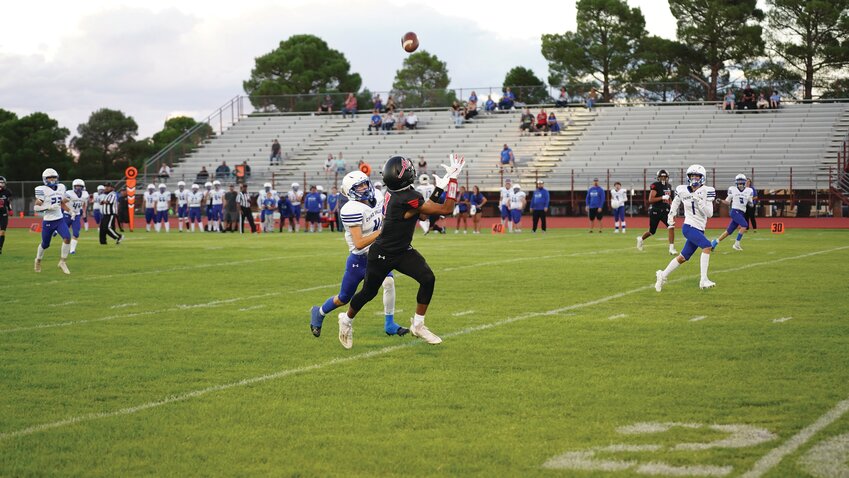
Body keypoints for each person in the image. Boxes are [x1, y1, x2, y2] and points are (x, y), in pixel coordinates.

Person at [336, 154, 465, 349]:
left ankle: (418, 325)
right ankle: (346, 320)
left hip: (402, 250)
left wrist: (439, 189)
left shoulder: (401, 192)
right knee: (368, 293)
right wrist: (453, 180)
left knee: (428, 278)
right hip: (382, 253)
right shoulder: (407, 196)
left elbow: (421, 214)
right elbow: (446, 209)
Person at [310, 170, 407, 339]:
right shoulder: (350, 209)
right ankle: (319, 312)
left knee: (389, 282)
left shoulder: (377, 195)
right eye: (359, 186)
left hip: (377, 255)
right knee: (343, 298)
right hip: (359, 259)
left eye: (364, 183)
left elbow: (384, 216)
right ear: (350, 191)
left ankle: (389, 324)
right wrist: (383, 232)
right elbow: (359, 243)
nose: (364, 187)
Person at [655, 164, 717, 292]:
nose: (694, 178)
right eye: (692, 176)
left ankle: (662, 274)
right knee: (707, 246)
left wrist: (700, 202)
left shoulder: (707, 191)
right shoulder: (682, 189)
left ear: (702, 177)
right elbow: (676, 202)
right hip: (689, 226)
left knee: (683, 257)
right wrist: (671, 215)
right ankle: (703, 280)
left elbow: (709, 214)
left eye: (697, 176)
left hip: (699, 228)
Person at [33, 168, 72, 274]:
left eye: (54, 177)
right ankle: (38, 260)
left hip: (59, 219)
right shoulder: (42, 190)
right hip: (48, 221)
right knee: (45, 244)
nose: (52, 180)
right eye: (49, 178)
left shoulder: (61, 187)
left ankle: (63, 261)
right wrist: (49, 207)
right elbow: (36, 208)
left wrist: (68, 202)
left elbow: (61, 200)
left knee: (67, 238)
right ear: (45, 179)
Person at [637, 170, 678, 255]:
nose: (663, 178)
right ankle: (641, 239)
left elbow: (669, 199)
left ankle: (671, 248)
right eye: (661, 177)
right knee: (652, 231)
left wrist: (672, 209)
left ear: (667, 177)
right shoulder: (655, 185)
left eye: (665, 177)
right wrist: (662, 197)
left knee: (671, 226)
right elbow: (651, 199)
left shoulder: (669, 186)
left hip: (665, 211)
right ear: (658, 177)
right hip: (656, 211)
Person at [712, 174, 752, 251]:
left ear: (744, 183)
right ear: (736, 183)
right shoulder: (732, 189)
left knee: (728, 231)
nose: (740, 184)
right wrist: (720, 200)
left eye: (741, 183)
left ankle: (715, 242)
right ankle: (736, 244)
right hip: (734, 211)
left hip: (741, 213)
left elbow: (750, 202)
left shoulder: (749, 190)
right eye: (738, 183)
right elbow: (727, 202)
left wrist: (751, 203)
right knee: (744, 225)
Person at [64, 179, 89, 254]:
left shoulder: (85, 194)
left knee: (76, 233)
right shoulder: (69, 193)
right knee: (65, 233)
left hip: (77, 214)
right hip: (67, 214)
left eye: (80, 186)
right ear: (73, 186)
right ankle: (55, 230)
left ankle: (72, 250)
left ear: (83, 187)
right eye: (77, 186)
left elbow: (84, 203)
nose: (78, 188)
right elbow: (62, 203)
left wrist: (84, 211)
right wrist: (69, 211)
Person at [98, 182, 123, 247]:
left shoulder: (113, 194)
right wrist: (103, 202)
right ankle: (103, 242)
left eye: (107, 186)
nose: (106, 188)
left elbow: (109, 202)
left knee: (107, 227)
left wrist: (103, 202)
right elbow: (101, 202)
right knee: (102, 228)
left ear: (112, 188)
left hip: (110, 214)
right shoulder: (106, 195)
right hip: (105, 214)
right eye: (105, 186)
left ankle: (118, 236)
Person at [0, 175, 12, 254]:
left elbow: (8, 201)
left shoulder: (7, 192)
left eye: (2, 183)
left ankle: (0, 248)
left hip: (3, 214)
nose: (1, 184)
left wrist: (10, 209)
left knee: (2, 232)